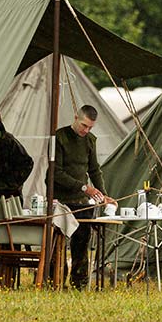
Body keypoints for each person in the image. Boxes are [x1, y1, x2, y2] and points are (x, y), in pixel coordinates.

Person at [50, 105, 115, 290]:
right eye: (84, 125)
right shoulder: (59, 138)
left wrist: (102, 194)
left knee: (81, 241)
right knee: (57, 244)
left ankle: (79, 283)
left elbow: (94, 170)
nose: (85, 130)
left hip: (81, 201)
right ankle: (55, 281)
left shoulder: (90, 141)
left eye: (90, 128)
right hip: (60, 199)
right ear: (76, 117)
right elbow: (57, 172)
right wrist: (84, 187)